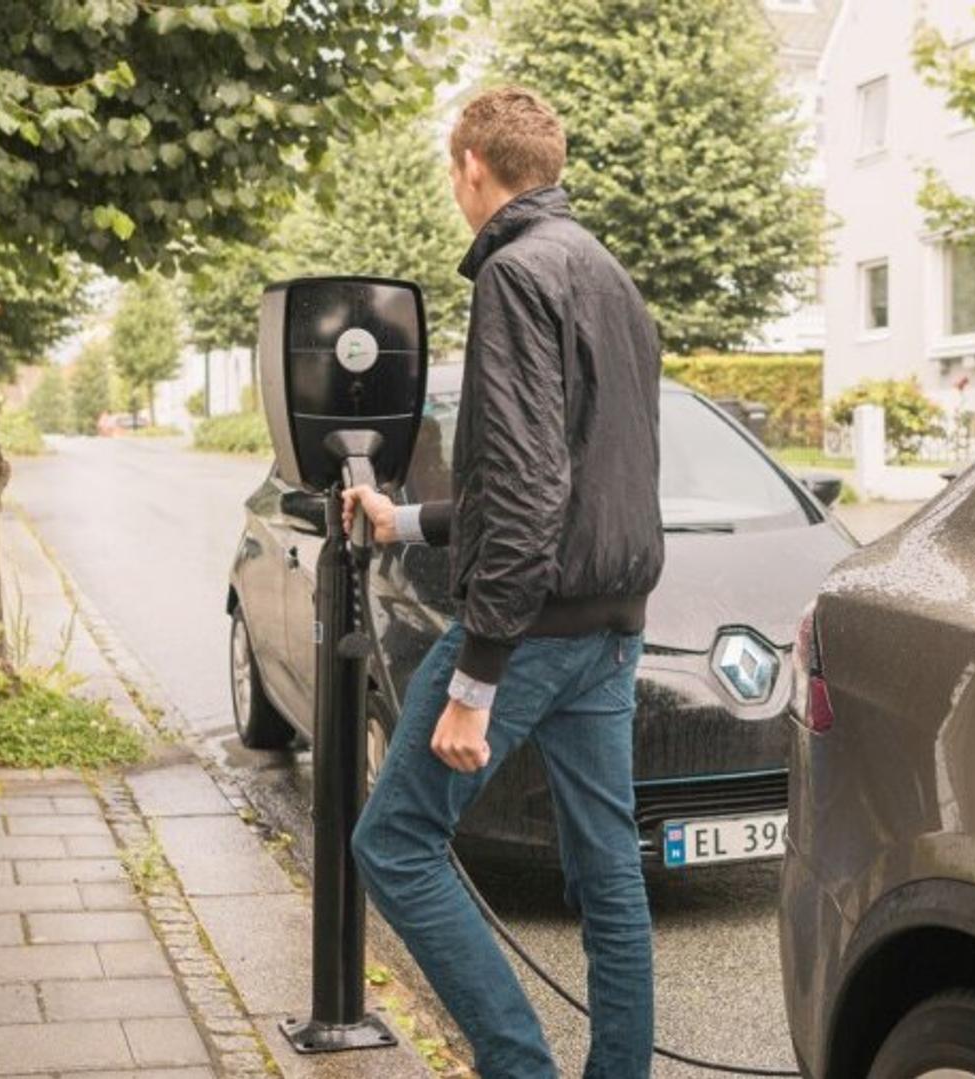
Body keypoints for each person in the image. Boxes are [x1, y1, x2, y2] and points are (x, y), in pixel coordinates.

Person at [339, 85, 664, 1078]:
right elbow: (568, 471)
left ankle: (518, 1063)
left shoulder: (518, 276)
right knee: (609, 873)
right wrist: (416, 519)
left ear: (472, 165)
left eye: (451, 171)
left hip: (530, 630)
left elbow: (527, 486)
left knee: (392, 842)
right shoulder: (611, 279)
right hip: (611, 625)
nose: (453, 186)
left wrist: (476, 679)